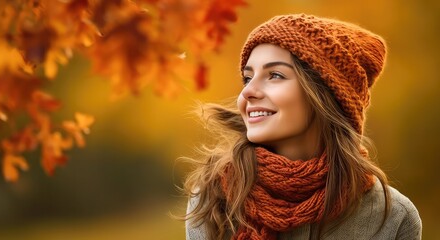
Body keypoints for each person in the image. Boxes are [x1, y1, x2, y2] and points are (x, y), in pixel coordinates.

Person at [181, 14, 422, 240]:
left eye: (274, 75)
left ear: (325, 94)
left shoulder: (393, 218)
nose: (248, 92)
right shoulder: (212, 200)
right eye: (247, 77)